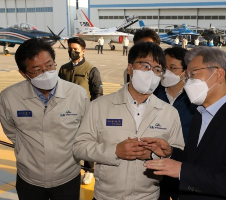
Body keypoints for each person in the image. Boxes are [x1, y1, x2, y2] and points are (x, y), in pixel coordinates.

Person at [141, 46, 226, 199]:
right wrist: (171, 153)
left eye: (193, 74)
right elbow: (197, 161)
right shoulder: (200, 114)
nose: (187, 82)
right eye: (187, 76)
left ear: (218, 75)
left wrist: (181, 170)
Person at [73, 42, 185, 200]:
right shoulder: (99, 106)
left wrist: (156, 155)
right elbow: (79, 147)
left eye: (157, 69)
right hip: (105, 196)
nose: (151, 73)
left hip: (150, 197)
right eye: (145, 66)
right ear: (130, 68)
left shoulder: (170, 113)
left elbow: (177, 153)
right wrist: (115, 151)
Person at [0, 38, 89, 200]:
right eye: (36, 70)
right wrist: (27, 149)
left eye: (49, 66)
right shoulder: (9, 97)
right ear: (24, 73)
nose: (46, 72)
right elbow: (11, 130)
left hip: (67, 177)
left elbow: (85, 131)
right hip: (29, 179)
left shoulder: (77, 94)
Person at [154, 47, 197, 200]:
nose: (167, 73)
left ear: (185, 72)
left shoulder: (195, 98)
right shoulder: (152, 93)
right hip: (156, 169)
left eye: (172, 68)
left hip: (185, 167)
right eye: (164, 68)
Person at [59, 37, 103, 185]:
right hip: (65, 114)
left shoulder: (91, 70)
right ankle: (70, 169)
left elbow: (97, 94)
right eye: (70, 49)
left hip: (85, 114)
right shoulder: (63, 69)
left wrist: (93, 114)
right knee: (67, 143)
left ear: (83, 51)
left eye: (75, 50)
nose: (72, 52)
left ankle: (89, 170)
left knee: (86, 143)